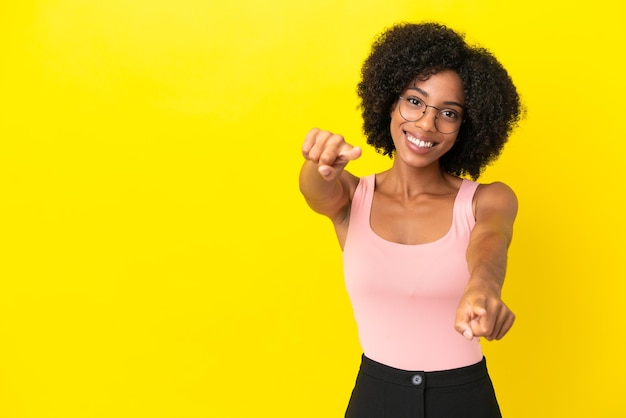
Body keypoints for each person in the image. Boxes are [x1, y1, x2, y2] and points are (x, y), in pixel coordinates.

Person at [299, 22, 523, 417]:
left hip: (464, 400)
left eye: (448, 113)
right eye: (415, 102)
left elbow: (490, 241)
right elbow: (315, 191)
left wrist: (484, 286)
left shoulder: (486, 199)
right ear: (389, 100)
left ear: (463, 129)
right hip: (376, 397)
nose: (425, 124)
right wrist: (317, 163)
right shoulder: (353, 196)